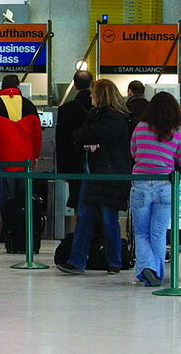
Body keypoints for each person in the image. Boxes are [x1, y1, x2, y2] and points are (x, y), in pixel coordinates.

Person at [57, 79, 132, 276]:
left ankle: (113, 261)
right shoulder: (99, 116)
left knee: (108, 218)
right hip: (95, 175)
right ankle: (78, 260)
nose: (90, 98)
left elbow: (86, 135)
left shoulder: (113, 118)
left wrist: (88, 140)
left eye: (92, 95)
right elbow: (83, 136)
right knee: (85, 217)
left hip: (108, 176)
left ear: (100, 96)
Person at [129, 92, 181, 287]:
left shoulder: (140, 127)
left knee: (141, 232)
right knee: (158, 232)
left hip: (140, 183)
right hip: (165, 185)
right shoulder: (177, 131)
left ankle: (148, 269)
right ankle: (156, 274)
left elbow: (133, 151)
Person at [55, 70, 94, 210]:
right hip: (98, 162)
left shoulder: (66, 109)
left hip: (73, 162)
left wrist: (62, 170)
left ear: (75, 86)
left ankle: (80, 229)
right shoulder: (99, 107)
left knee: (77, 200)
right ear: (92, 84)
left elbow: (61, 141)